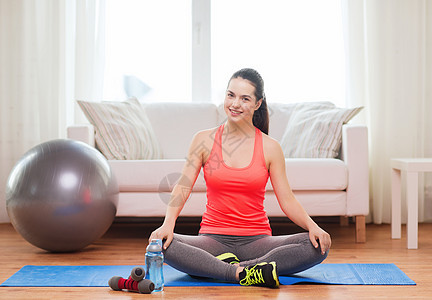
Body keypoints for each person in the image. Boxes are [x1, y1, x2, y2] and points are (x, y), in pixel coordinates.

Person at [149, 68, 331, 288]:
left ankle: (219, 268)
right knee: (161, 244)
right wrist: (167, 224)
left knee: (316, 245)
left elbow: (287, 199)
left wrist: (314, 227)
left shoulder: (270, 147)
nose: (235, 104)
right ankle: (244, 272)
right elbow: (183, 185)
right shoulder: (203, 139)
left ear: (257, 104)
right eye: (230, 95)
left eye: (245, 98)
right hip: (212, 239)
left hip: (258, 241)